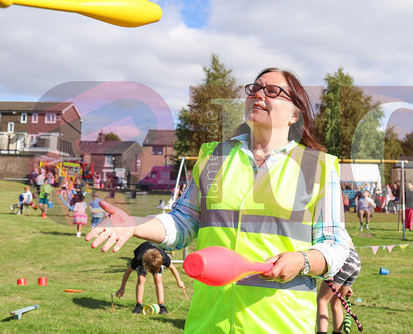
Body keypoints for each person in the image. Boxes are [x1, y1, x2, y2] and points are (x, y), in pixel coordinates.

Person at [86, 67, 351, 333]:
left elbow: (336, 245)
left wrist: (303, 261)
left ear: (295, 114)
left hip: (281, 322)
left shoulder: (317, 166)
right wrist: (134, 224)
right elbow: (183, 223)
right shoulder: (213, 158)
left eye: (272, 91)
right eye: (255, 88)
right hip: (210, 321)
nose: (258, 94)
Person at [116, 242, 185, 314]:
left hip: (155, 256)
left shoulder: (163, 257)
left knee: (158, 279)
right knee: (141, 279)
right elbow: (128, 272)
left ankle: (161, 305)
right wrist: (122, 288)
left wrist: (179, 281)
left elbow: (172, 268)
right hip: (143, 255)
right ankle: (139, 304)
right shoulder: (138, 259)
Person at [316, 243, 360, 334]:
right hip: (355, 260)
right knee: (336, 302)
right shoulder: (340, 229)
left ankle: (322, 332)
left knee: (322, 300)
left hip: (342, 258)